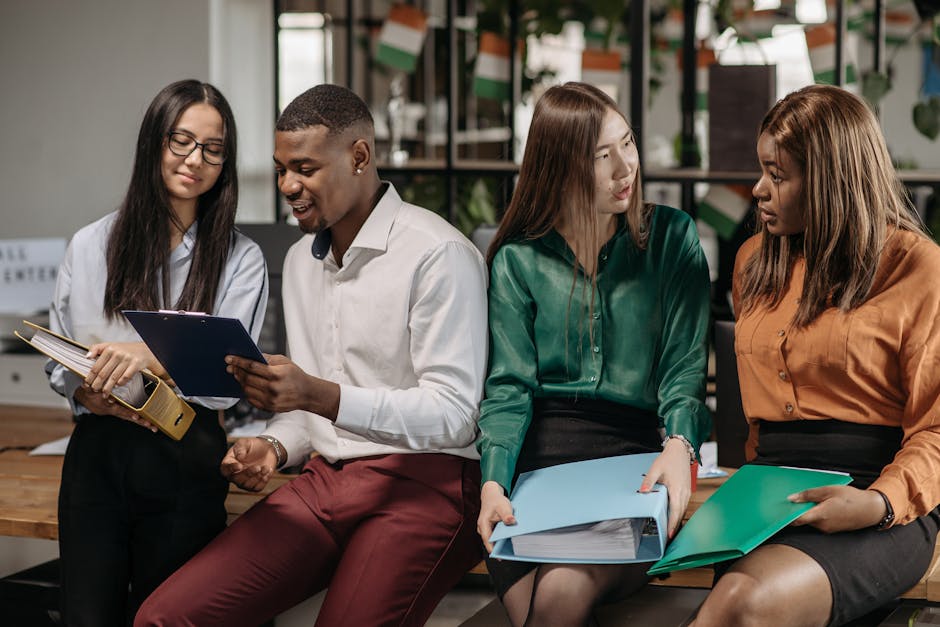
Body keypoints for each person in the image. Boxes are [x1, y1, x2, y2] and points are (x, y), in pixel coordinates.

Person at [134, 83, 488, 627]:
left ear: (360, 157)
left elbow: (456, 415)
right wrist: (275, 444)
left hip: (428, 484)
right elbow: (310, 407)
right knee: (164, 617)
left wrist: (319, 396)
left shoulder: (439, 255)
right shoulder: (302, 260)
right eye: (280, 169)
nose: (288, 186)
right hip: (325, 479)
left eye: (304, 168)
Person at [691, 84, 940, 627]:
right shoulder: (755, 260)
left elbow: (936, 429)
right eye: (761, 171)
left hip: (875, 499)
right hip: (764, 495)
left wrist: (876, 503)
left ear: (832, 180)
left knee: (740, 606)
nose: (758, 190)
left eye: (777, 176)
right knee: (731, 602)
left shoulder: (918, 267)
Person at [475, 82, 712, 627]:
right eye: (601, 157)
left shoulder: (673, 238)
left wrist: (680, 445)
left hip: (635, 465)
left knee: (560, 592)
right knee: (548, 602)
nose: (624, 168)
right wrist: (492, 481)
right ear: (559, 169)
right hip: (534, 471)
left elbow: (685, 368)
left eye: (626, 144)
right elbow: (508, 388)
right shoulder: (517, 260)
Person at [48, 79, 269, 626]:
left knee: (168, 616)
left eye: (213, 149)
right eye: (182, 141)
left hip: (185, 454)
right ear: (154, 143)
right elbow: (60, 360)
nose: (196, 159)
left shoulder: (243, 258)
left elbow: (228, 372)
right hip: (97, 455)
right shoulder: (90, 244)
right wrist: (86, 395)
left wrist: (145, 356)